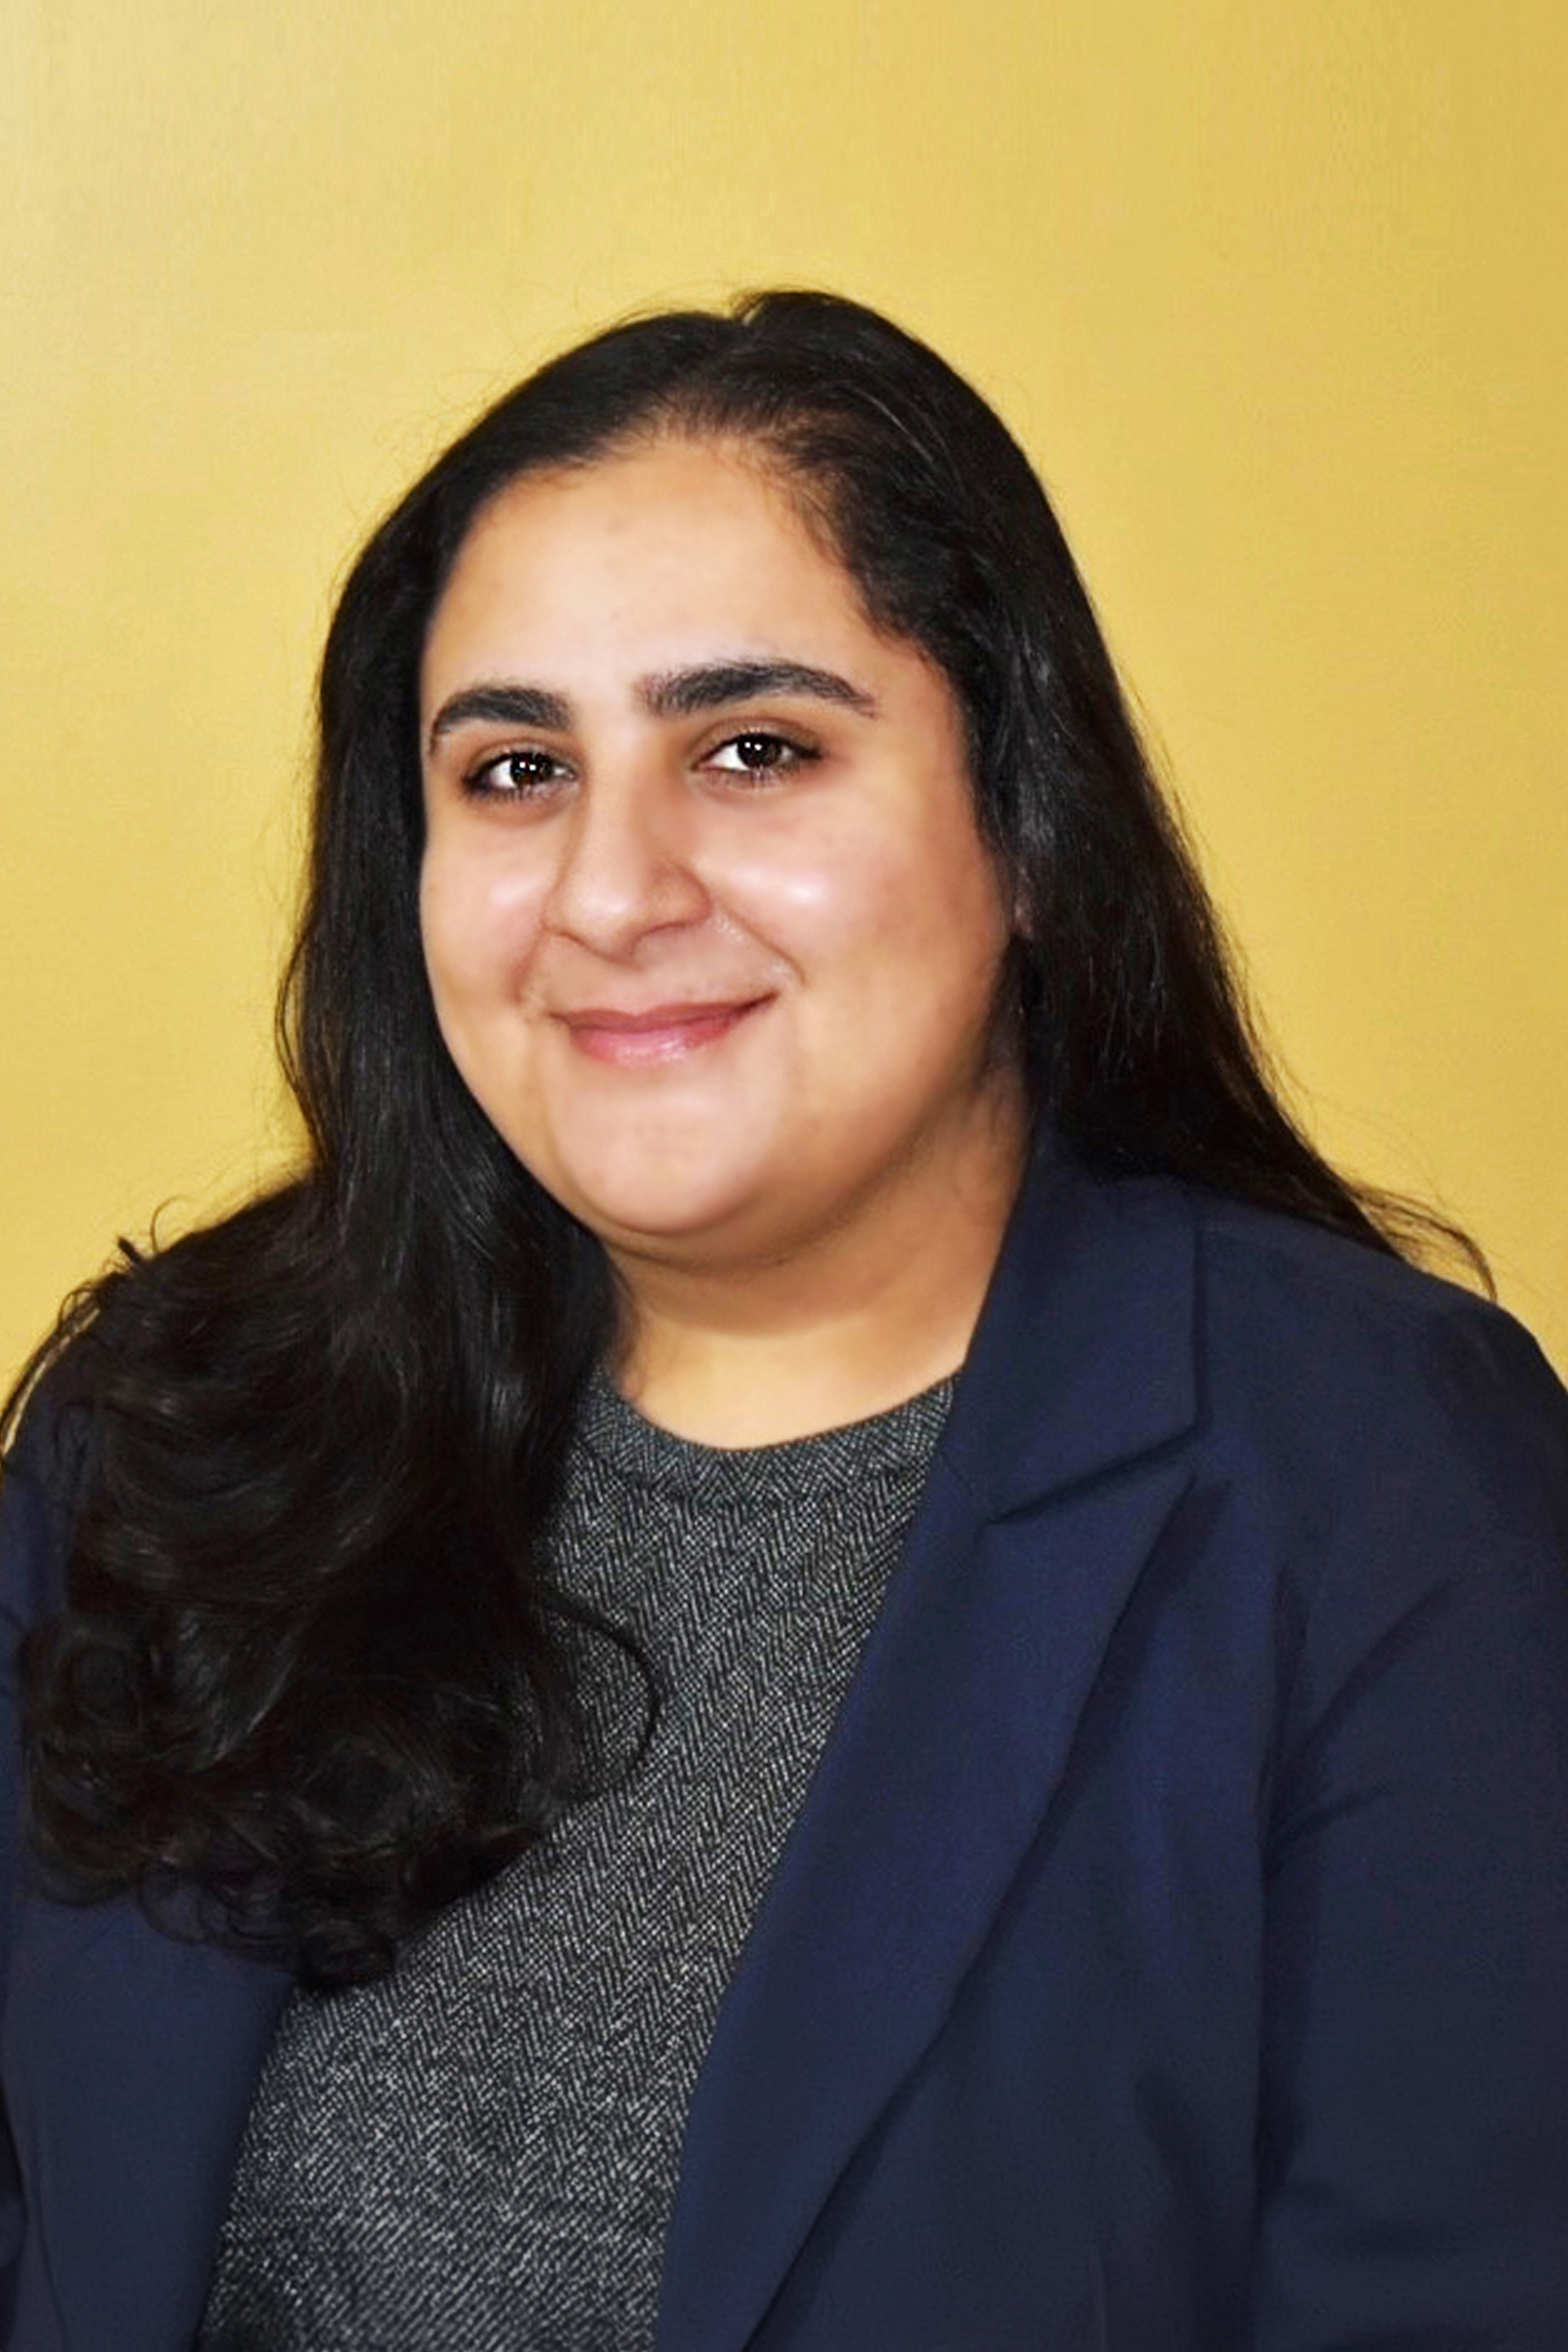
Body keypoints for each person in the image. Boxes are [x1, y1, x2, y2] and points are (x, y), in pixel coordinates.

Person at [1, 290, 1565, 2352]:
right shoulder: (166, 1424)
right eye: (516, 769)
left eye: (754, 750)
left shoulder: (1378, 1482)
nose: (612, 890)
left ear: (1024, 822)